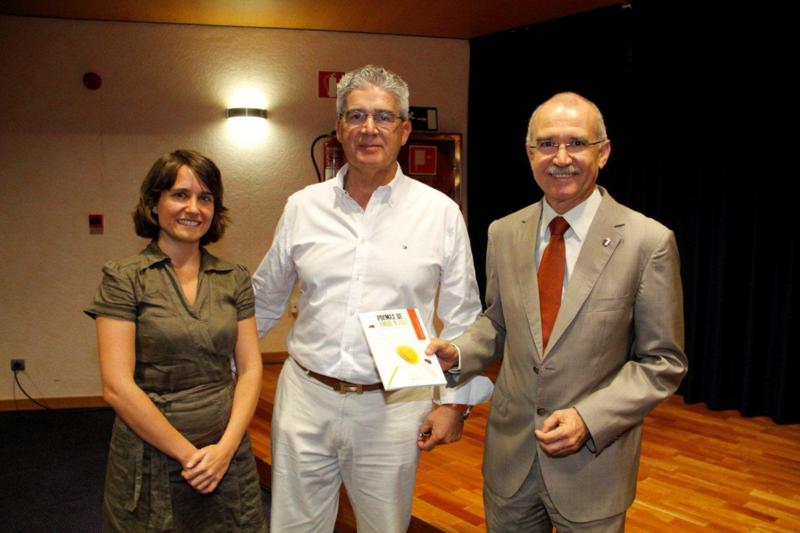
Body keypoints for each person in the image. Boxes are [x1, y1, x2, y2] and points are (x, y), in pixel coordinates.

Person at [427, 92, 688, 532]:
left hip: (593, 469)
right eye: (547, 144)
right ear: (530, 154)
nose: (561, 158)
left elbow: (662, 362)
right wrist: (458, 352)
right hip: (509, 464)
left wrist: (590, 418)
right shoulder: (504, 231)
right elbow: (497, 321)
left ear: (602, 152)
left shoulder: (648, 242)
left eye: (577, 144)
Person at [253, 64, 492, 532]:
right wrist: (224, 373)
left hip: (394, 407)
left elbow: (464, 317)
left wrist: (454, 404)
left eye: (383, 117)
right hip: (307, 395)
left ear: (405, 131)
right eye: (356, 115)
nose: (369, 129)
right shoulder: (303, 206)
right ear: (339, 128)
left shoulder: (440, 214)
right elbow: (264, 299)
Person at [85, 150, 267, 532]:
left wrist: (224, 450)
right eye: (180, 194)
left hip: (225, 450)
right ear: (154, 203)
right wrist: (191, 457)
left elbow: (250, 370)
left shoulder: (233, 277)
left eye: (205, 198)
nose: (193, 208)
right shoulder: (124, 278)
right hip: (152, 455)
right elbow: (116, 387)